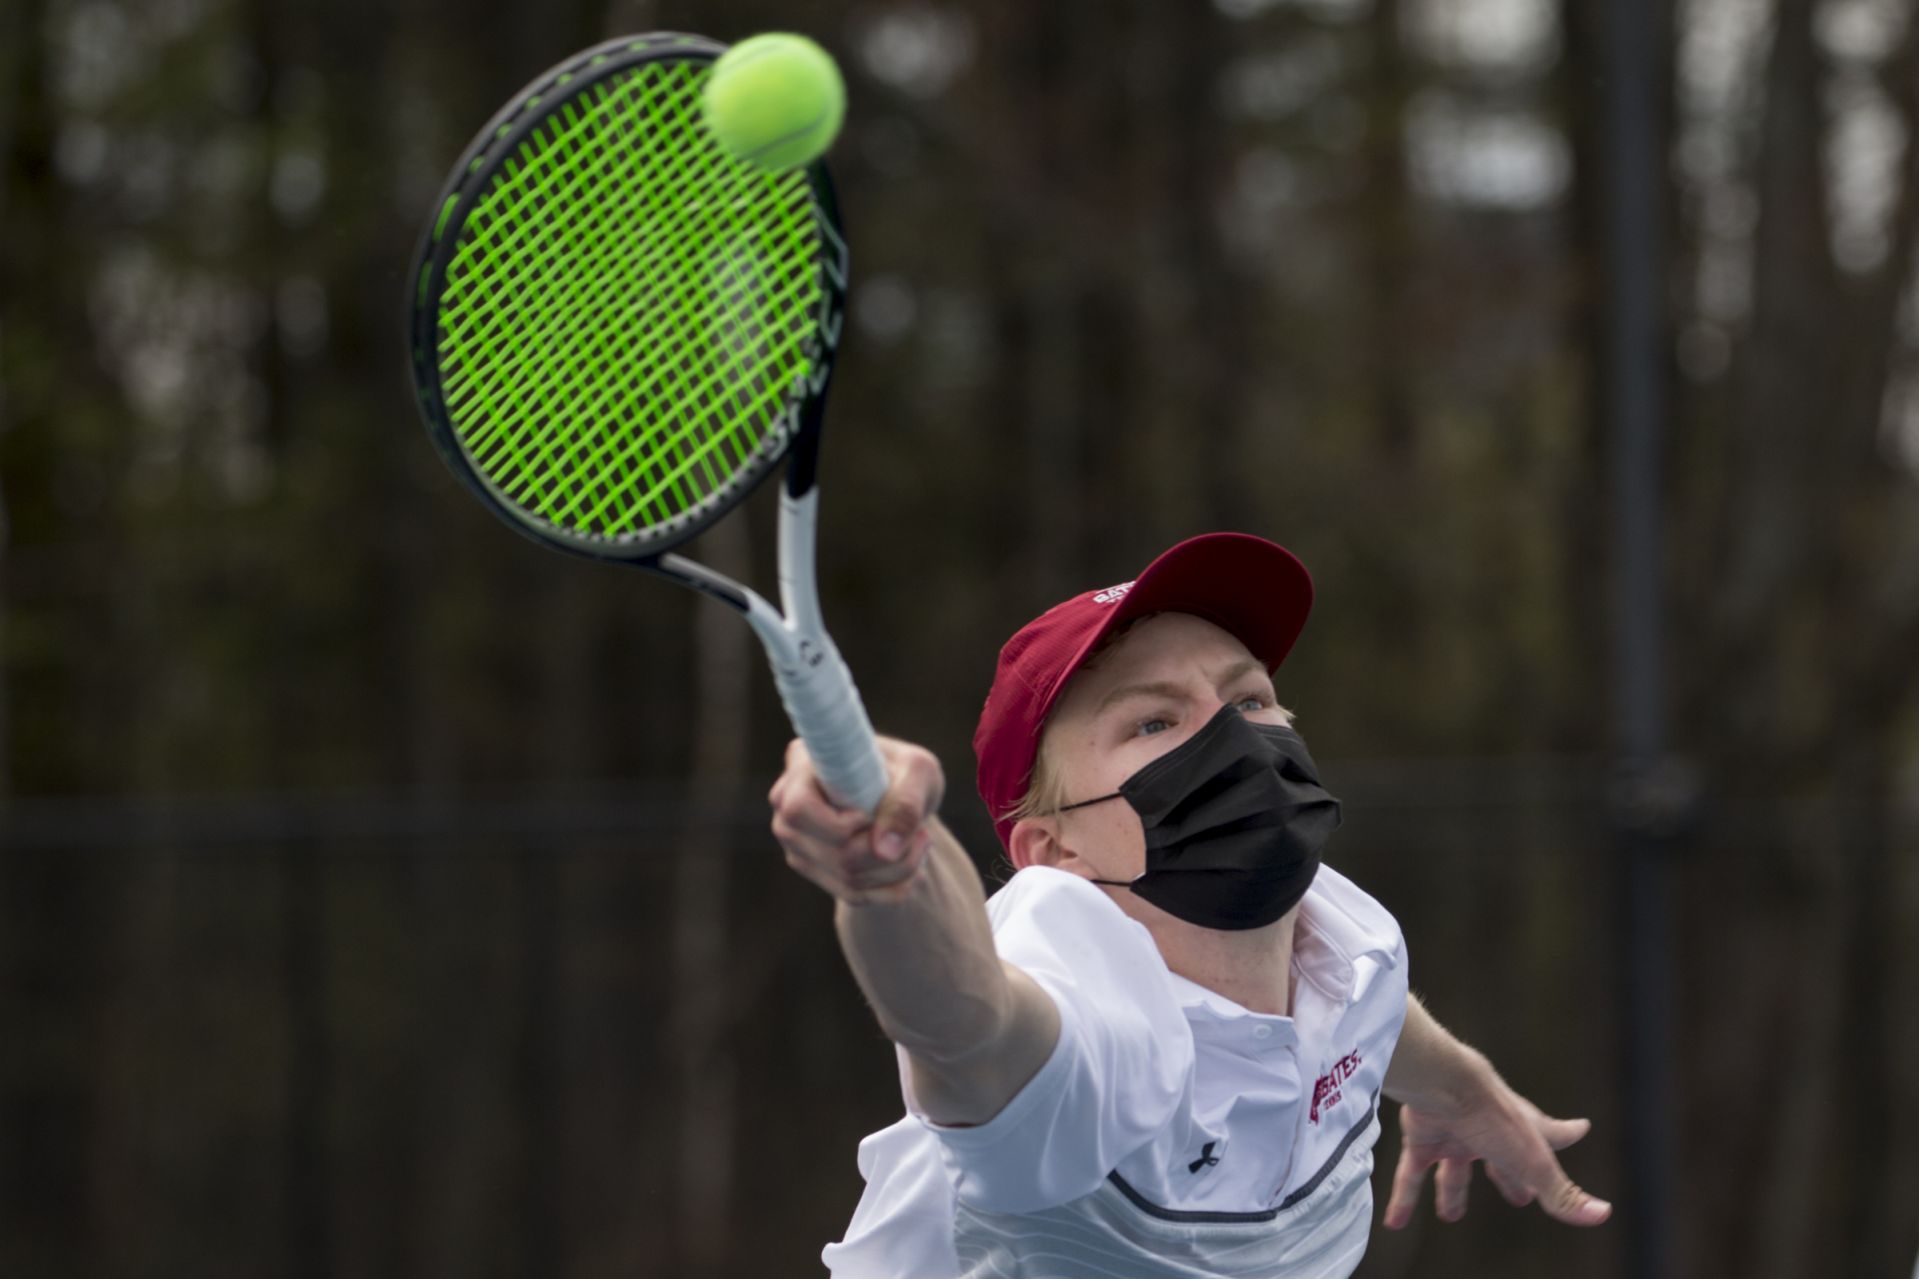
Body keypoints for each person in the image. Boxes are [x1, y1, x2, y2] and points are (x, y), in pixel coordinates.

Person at [768, 533, 1610, 1277]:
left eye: (1247, 698)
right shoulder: (1087, 1023)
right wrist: (891, 874)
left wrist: (1460, 1088)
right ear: (1055, 851)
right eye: (1152, 722)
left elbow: (1362, 1009)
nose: (1235, 738)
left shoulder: (1348, 940)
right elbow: (964, 1021)